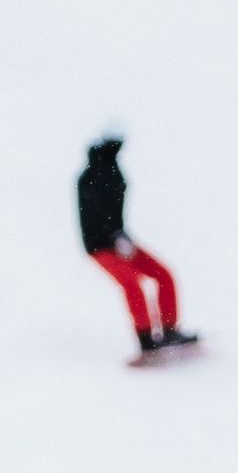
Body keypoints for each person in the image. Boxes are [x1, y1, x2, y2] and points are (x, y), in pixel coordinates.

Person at [78, 134, 198, 360]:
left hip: (119, 240)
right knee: (133, 284)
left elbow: (114, 213)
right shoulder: (90, 177)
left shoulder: (114, 174)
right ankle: (146, 341)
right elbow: (94, 214)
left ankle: (169, 330)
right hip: (99, 246)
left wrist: (119, 236)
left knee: (163, 274)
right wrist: (112, 235)